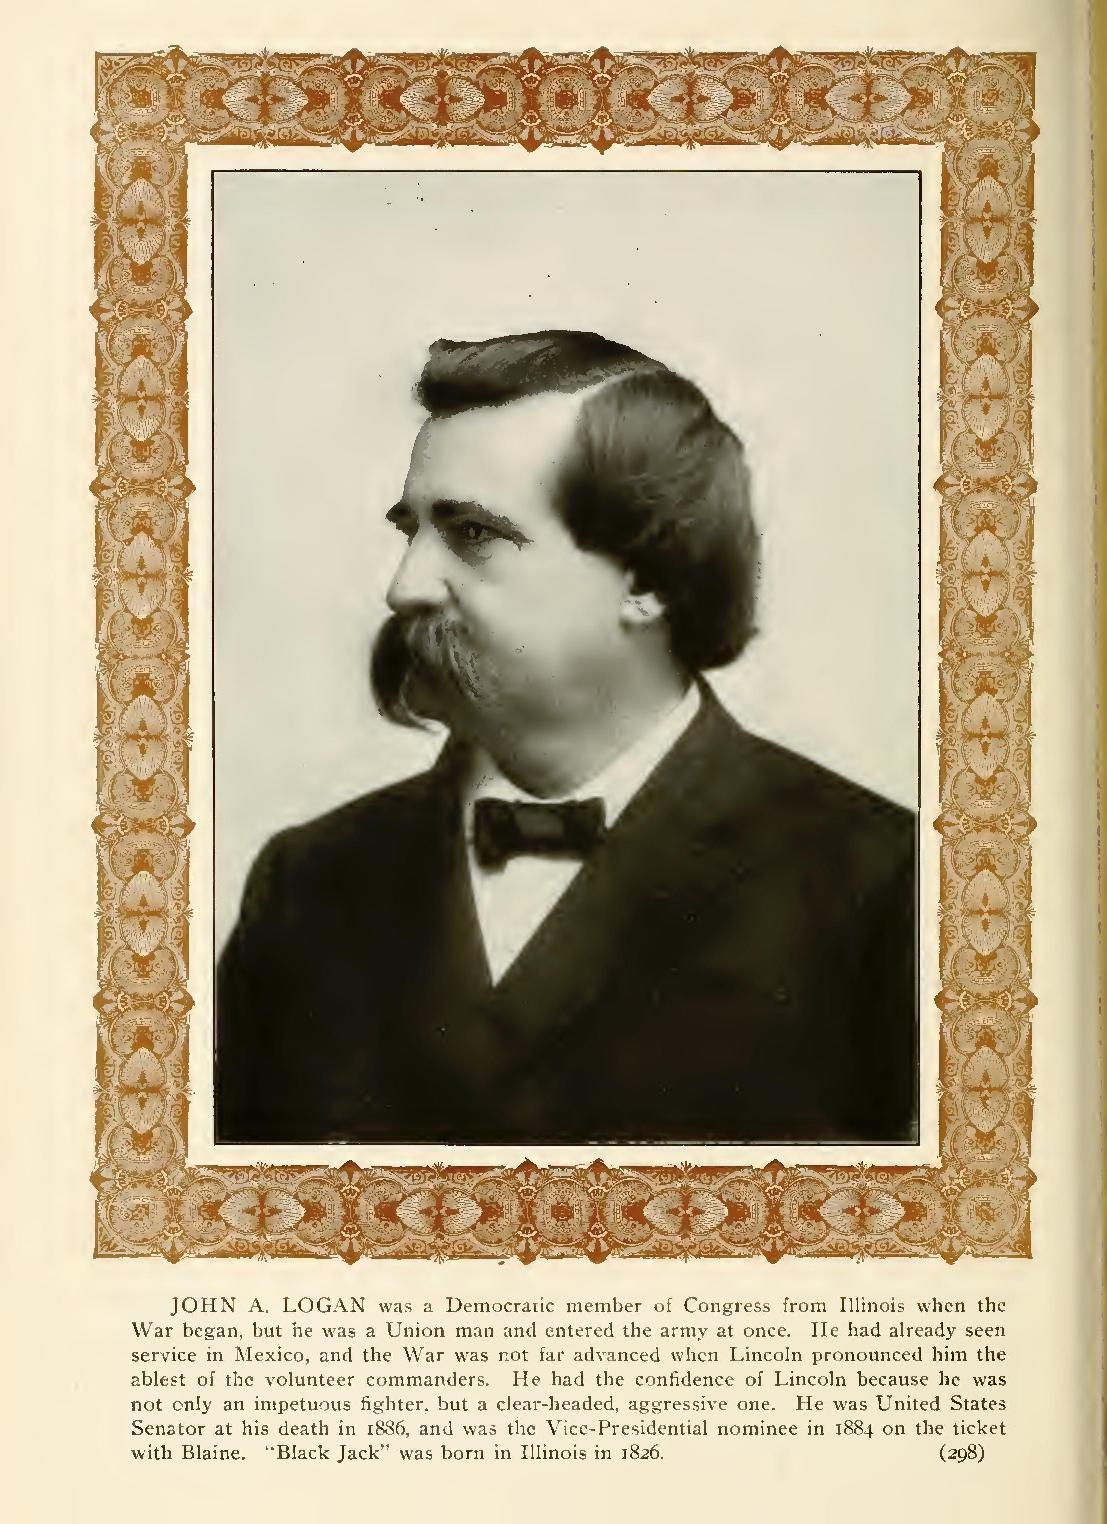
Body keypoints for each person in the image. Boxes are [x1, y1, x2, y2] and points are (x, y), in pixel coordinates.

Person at [215, 330, 918, 1146]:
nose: (404, 587)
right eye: (410, 532)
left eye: (471, 534)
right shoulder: (305, 884)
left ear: (647, 578)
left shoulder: (881, 886)